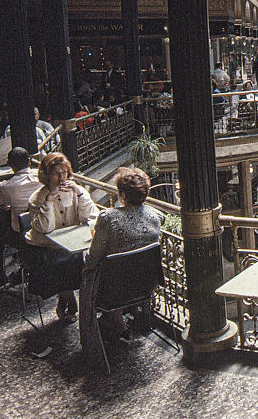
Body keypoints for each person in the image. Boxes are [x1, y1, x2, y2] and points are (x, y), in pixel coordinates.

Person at [79, 167, 163, 361]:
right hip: (146, 287)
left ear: (122, 194)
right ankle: (116, 324)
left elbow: (94, 256)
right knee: (122, 272)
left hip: (113, 292)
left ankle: (99, 333)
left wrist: (86, 262)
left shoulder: (109, 218)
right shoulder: (155, 216)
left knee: (87, 270)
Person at [25, 152, 97, 322]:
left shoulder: (73, 191)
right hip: (44, 248)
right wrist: (49, 201)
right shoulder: (37, 198)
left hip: (70, 246)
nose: (62, 177)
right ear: (47, 176)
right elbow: (44, 228)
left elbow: (91, 215)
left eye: (64, 172)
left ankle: (66, 297)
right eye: (56, 173)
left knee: (82, 262)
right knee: (62, 265)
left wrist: (80, 194)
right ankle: (70, 298)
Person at [0, 147, 41, 287]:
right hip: (45, 227)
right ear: (29, 161)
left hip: (22, 234)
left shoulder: (7, 186)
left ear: (10, 165)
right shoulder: (42, 177)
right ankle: (26, 266)